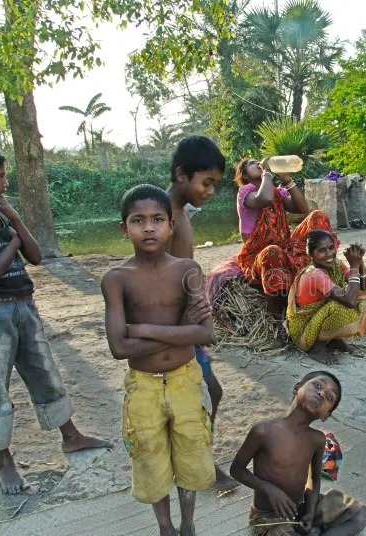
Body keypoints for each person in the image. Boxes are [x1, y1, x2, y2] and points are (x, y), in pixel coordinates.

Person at [0, 143, 111, 495]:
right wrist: (13, 240)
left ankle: (71, 436)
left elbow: (35, 257)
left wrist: (16, 221)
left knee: (44, 372)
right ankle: (3, 462)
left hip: (24, 305)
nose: (5, 183)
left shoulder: (1, 214)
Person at [101, 184, 216, 536]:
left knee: (191, 454)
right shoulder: (116, 279)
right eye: (138, 220)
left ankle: (188, 523)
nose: (148, 228)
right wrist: (181, 328)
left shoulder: (187, 270)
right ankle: (165, 526)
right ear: (124, 229)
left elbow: (205, 333)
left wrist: (144, 329)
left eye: (157, 219)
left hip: (185, 379)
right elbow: (119, 348)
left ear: (171, 225)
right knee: (150, 458)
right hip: (144, 387)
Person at [164, 136, 238, 493]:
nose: (210, 191)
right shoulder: (163, 216)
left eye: (214, 184)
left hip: (185, 324)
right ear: (182, 174)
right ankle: (196, 464)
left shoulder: (178, 212)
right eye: (206, 183)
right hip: (173, 327)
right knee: (201, 394)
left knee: (210, 392)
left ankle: (193, 458)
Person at [230, 371, 366, 536]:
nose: (321, 393)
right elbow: (236, 469)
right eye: (317, 385)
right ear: (297, 388)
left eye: (329, 397)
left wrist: (309, 512)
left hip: (302, 506)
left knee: (361, 514)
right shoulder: (264, 431)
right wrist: (270, 489)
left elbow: (314, 479)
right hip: (270, 517)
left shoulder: (317, 439)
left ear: (326, 415)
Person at [207, 158, 336, 315]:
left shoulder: (276, 192)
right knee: (272, 251)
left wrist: (287, 180)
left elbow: (303, 208)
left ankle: (325, 276)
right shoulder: (245, 192)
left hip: (285, 249)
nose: (258, 163)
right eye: (252, 163)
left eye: (258, 161)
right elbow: (264, 199)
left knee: (317, 216)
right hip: (259, 256)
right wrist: (267, 172)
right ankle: (276, 311)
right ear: (245, 175)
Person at [286, 231, 366, 365]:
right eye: (321, 250)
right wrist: (354, 267)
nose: (329, 253)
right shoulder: (314, 274)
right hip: (303, 333)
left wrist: (359, 262)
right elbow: (350, 302)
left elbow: (365, 288)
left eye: (331, 247)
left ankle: (334, 340)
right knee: (338, 306)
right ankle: (317, 348)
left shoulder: (336, 264)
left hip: (318, 321)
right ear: (310, 254)